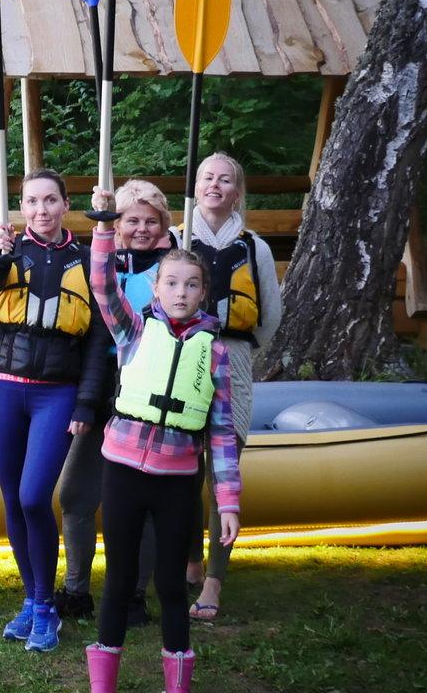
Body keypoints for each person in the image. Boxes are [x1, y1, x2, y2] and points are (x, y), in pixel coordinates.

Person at [83, 185, 243, 693]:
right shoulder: (131, 332)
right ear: (156, 290)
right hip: (124, 473)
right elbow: (103, 285)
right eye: (170, 283)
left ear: (203, 293)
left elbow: (220, 432)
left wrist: (229, 500)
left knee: (172, 585)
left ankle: (177, 679)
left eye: (190, 285)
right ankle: (103, 682)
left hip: (177, 481)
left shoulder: (213, 351)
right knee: (119, 578)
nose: (179, 293)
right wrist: (105, 226)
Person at [0, 169, 113, 653]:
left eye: (51, 201)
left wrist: (86, 402)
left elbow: (100, 339)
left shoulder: (87, 259)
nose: (42, 210)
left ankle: (43, 601)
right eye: (32, 202)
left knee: (37, 496)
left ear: (65, 204)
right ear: (22, 207)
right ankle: (37, 603)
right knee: (14, 499)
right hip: (4, 387)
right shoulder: (5, 253)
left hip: (56, 392)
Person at [169, 152, 282, 621]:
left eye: (225, 180)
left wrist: (241, 349)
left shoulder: (253, 247)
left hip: (231, 357)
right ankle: (190, 561)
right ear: (196, 187)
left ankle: (214, 578)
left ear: (237, 191)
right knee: (183, 470)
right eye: (207, 178)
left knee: (223, 473)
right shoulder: (177, 238)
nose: (215, 185)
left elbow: (270, 314)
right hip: (180, 357)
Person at [56, 180, 171, 623]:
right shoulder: (100, 264)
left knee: (141, 502)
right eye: (131, 220)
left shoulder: (173, 271)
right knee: (75, 494)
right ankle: (76, 589)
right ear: (116, 224)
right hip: (101, 392)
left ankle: (134, 595)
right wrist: (85, 400)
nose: (140, 229)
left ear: (162, 225)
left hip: (145, 400)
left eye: (150, 221)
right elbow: (93, 331)